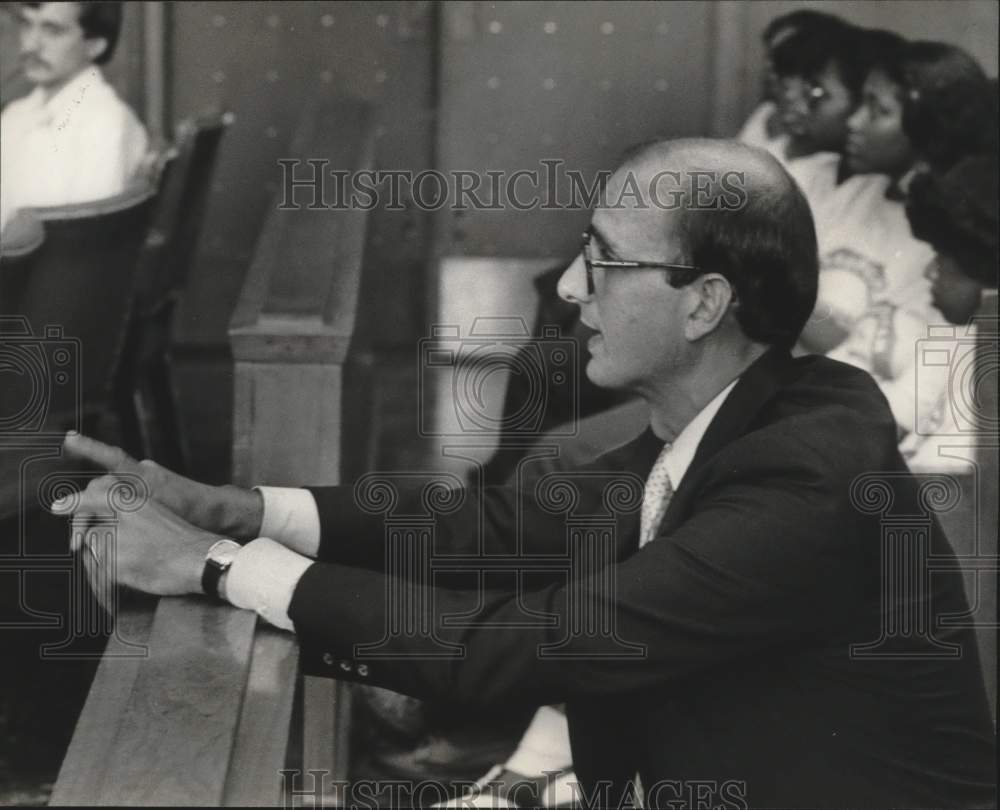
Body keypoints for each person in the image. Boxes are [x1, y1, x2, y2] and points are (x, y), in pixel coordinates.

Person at [56, 139, 995, 808]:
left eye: (606, 262)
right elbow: (496, 526)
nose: (573, 290)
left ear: (705, 302)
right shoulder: (743, 417)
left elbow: (520, 647)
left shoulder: (802, 472)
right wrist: (236, 507)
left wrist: (214, 562)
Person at [795, 40, 993, 461]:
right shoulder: (858, 191)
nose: (855, 121)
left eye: (878, 109)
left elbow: (911, 408)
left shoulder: (960, 254)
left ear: (927, 126)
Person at [0, 1, 149, 232]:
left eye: (53, 31)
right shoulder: (15, 115)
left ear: (94, 46)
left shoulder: (105, 124)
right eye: (27, 25)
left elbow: (84, 241)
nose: (30, 45)